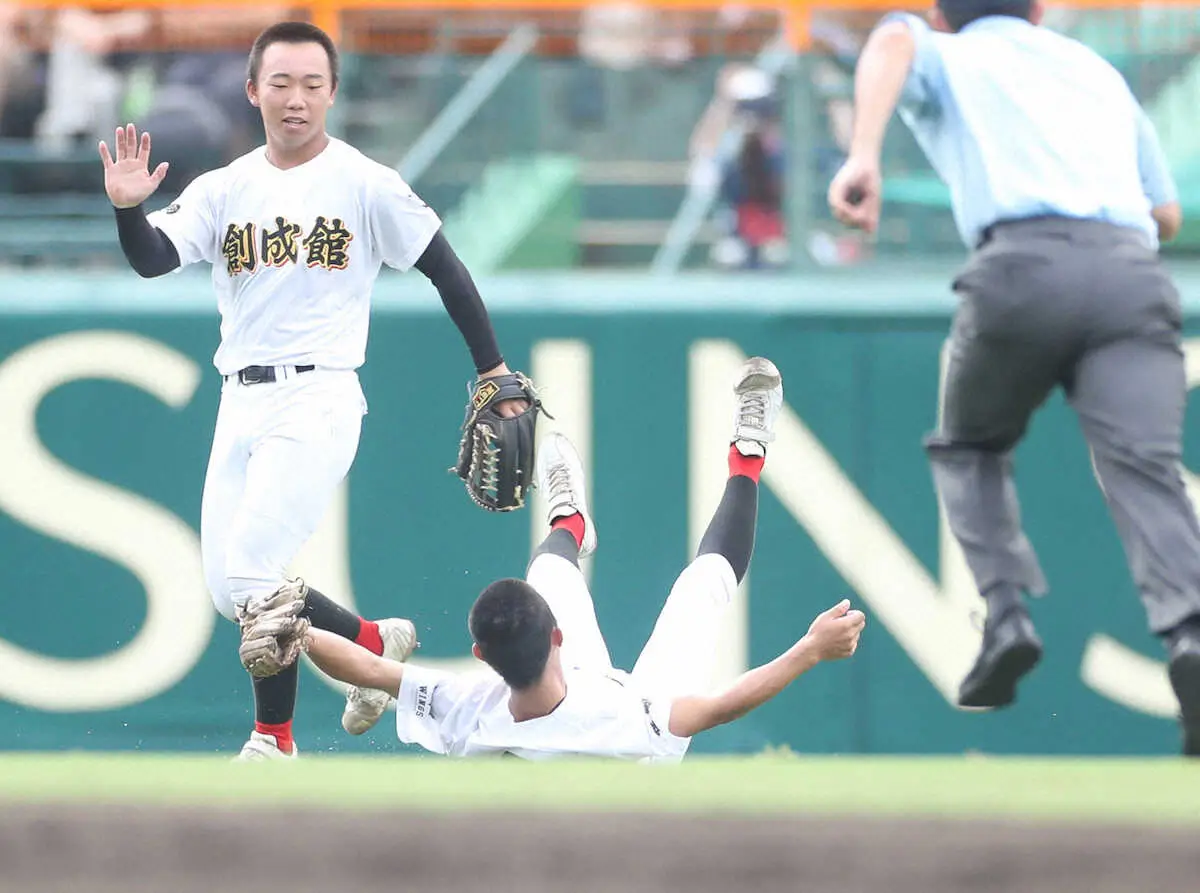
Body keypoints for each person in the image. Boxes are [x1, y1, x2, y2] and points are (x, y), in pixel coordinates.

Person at [98, 21, 528, 760]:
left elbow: (446, 269)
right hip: (241, 398)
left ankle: (274, 740)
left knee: (254, 576)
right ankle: (371, 640)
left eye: (310, 84)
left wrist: (493, 369)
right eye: (280, 83)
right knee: (232, 594)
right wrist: (127, 208)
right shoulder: (226, 187)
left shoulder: (364, 182)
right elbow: (150, 261)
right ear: (252, 90)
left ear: (332, 91)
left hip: (318, 396)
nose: (295, 100)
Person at [826, 0, 1199, 755]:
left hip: (1020, 266)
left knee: (970, 447)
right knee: (1146, 471)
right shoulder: (1095, 70)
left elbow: (892, 39)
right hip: (1130, 272)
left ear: (943, 11)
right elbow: (1164, 212)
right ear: (1036, 8)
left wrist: (863, 150)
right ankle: (1190, 630)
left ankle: (1006, 613)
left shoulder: (952, 54)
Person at [302, 358, 867, 760]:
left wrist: (291, 631)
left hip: (577, 693)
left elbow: (369, 669)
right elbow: (720, 706)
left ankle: (570, 519)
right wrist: (810, 650)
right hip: (635, 728)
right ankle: (749, 452)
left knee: (549, 571)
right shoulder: (623, 723)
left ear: (479, 655)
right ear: (557, 636)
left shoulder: (470, 709)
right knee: (701, 588)